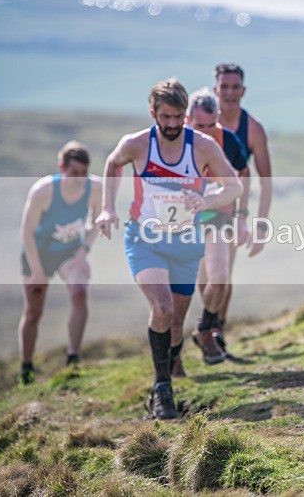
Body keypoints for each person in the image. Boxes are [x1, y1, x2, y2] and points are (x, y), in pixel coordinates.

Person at [96, 78, 242, 419]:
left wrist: (206, 198)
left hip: (185, 242)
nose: (173, 124)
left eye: (178, 117)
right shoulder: (137, 144)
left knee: (175, 321)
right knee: (161, 309)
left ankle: (169, 374)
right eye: (166, 117)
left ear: (185, 115)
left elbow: (233, 186)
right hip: (145, 240)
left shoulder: (203, 147)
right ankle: (161, 388)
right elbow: (112, 163)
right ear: (153, 113)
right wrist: (106, 207)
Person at [18, 141, 102, 385]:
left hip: (70, 251)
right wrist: (37, 271)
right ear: (62, 168)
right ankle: (26, 367)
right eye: (74, 173)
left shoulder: (95, 188)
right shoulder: (43, 191)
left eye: (84, 173)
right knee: (34, 312)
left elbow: (96, 221)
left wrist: (83, 251)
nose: (79, 179)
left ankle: (73, 358)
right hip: (39, 252)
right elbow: (26, 232)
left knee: (79, 293)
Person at [185, 89, 250, 370]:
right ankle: (206, 336)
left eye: (211, 125)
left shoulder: (228, 140)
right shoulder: (177, 143)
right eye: (200, 126)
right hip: (184, 219)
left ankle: (206, 327)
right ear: (188, 120)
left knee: (220, 276)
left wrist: (243, 216)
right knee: (203, 281)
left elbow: (244, 176)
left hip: (219, 215)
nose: (207, 132)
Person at [210, 62, 273, 352]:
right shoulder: (200, 122)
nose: (230, 93)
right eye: (225, 87)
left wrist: (259, 224)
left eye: (235, 87)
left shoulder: (253, 130)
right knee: (203, 276)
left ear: (243, 90)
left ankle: (215, 331)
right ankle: (209, 324)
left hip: (235, 211)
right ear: (215, 89)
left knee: (222, 271)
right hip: (196, 208)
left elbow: (266, 181)